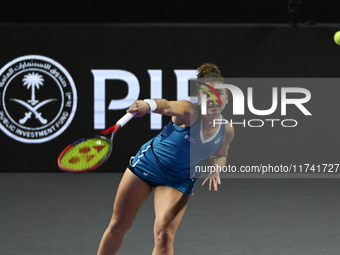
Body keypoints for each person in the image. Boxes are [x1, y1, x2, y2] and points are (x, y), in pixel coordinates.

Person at [97, 63, 234, 255]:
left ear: (226, 97)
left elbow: (221, 154)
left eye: (218, 93)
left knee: (164, 236)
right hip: (148, 165)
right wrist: (148, 105)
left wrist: (216, 167)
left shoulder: (226, 129)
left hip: (179, 178)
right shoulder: (189, 112)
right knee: (118, 225)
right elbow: (167, 105)